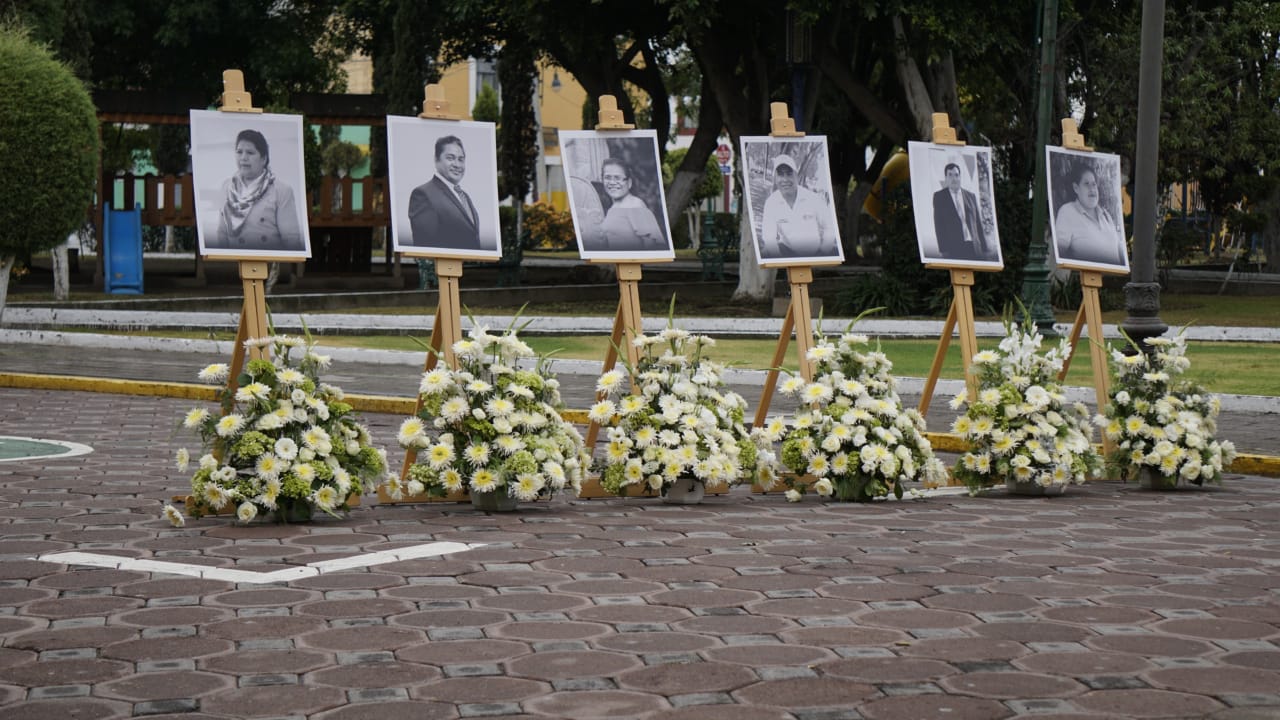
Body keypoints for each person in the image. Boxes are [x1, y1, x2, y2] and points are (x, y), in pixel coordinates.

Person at [215, 129, 304, 250]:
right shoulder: (227, 187)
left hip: (267, 259)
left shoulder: (281, 191)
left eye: (250, 153)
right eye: (239, 152)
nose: (243, 158)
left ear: (264, 159)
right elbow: (222, 234)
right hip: (235, 259)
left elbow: (291, 239)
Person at [409, 135, 482, 250]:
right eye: (450, 158)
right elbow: (425, 246)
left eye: (461, 159)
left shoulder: (464, 196)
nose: (457, 165)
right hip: (444, 261)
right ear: (436, 159)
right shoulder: (423, 194)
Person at [759, 154, 834, 259]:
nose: (785, 180)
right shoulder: (771, 203)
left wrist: (823, 252)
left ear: (796, 176)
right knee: (764, 252)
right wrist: (778, 259)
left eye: (789, 174)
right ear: (775, 179)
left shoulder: (813, 198)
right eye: (781, 175)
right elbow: (769, 237)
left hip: (814, 254)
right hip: (787, 252)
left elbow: (829, 226)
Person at [1054, 164, 1126, 266]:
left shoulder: (1106, 215)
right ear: (1076, 188)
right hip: (1083, 274)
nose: (1092, 189)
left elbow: (1119, 250)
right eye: (1086, 184)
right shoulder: (1068, 211)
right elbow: (1060, 251)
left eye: (1094, 184)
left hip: (1112, 275)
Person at [596, 157, 665, 252]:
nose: (612, 183)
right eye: (607, 177)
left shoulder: (635, 205)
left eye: (617, 178)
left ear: (629, 182)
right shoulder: (612, 209)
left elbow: (650, 244)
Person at [931, 161, 991, 262]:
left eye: (956, 175)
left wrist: (984, 247)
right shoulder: (939, 197)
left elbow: (978, 223)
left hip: (974, 247)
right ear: (946, 178)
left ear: (960, 177)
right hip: (953, 248)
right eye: (950, 175)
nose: (954, 178)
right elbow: (938, 224)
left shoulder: (971, 196)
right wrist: (943, 249)